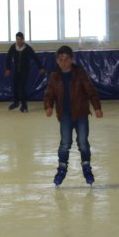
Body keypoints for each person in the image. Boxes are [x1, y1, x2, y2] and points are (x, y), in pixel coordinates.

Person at [43, 45, 103, 186]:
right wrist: (49, 106)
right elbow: (49, 94)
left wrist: (97, 107)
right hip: (64, 116)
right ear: (57, 61)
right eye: (60, 59)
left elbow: (90, 90)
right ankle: (61, 169)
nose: (63, 62)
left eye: (66, 59)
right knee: (65, 144)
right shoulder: (54, 76)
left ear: (72, 60)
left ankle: (87, 169)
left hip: (81, 114)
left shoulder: (80, 74)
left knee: (83, 144)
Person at [4, 32, 45, 113]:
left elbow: (35, 57)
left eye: (20, 39)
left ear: (23, 39)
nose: (18, 41)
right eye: (17, 39)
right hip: (16, 70)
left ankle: (24, 105)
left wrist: (40, 67)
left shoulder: (27, 48)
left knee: (22, 88)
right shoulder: (13, 47)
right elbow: (8, 57)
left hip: (24, 71)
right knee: (14, 86)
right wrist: (7, 69)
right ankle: (16, 102)